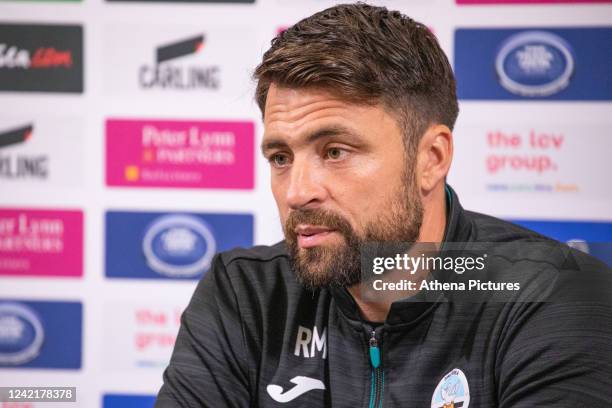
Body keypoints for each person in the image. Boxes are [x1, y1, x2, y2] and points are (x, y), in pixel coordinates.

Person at [155, 4, 612, 407]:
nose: (297, 192)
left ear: (431, 159)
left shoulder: (551, 294)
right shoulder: (247, 294)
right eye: (280, 158)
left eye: (335, 151)